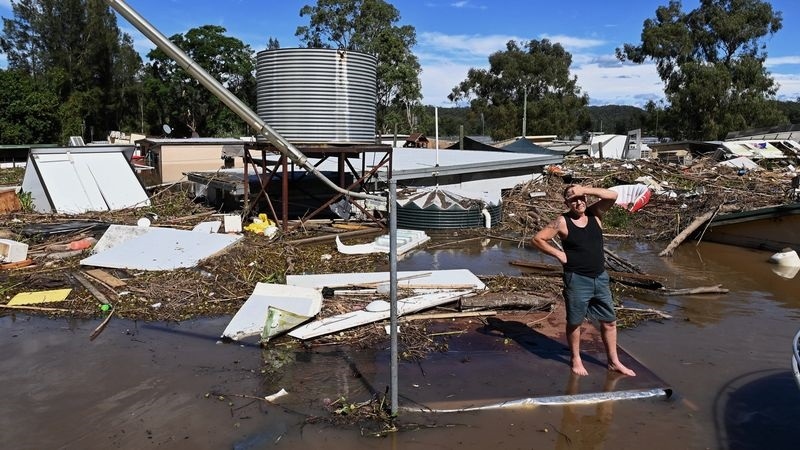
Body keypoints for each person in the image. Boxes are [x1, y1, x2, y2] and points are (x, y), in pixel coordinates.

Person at [532, 184, 636, 377]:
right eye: (572, 199)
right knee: (575, 322)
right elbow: (538, 239)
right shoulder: (562, 221)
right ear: (567, 203)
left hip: (600, 277)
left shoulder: (595, 213)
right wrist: (559, 254)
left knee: (610, 322)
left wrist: (584, 189)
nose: (578, 202)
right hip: (577, 279)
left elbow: (613, 195)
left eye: (580, 198)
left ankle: (614, 362)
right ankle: (576, 358)